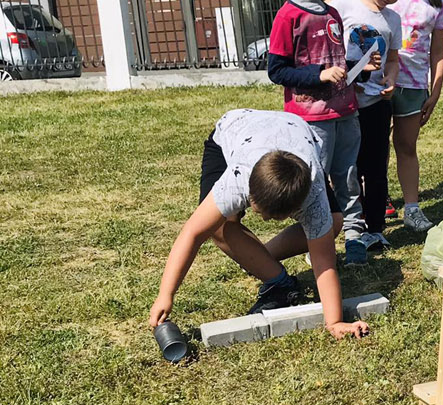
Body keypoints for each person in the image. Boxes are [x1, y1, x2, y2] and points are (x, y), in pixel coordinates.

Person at [148, 107, 368, 340]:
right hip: (234, 129)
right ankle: (277, 280)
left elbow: (324, 263)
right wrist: (165, 294)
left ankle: (258, 259)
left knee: (332, 223)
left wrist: (334, 322)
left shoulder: (313, 196)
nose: (264, 219)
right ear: (248, 193)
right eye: (261, 212)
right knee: (219, 225)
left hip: (297, 137)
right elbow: (192, 233)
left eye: (272, 217)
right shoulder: (236, 180)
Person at [266, 0, 366, 257]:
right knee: (316, 180)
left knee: (348, 176)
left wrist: (360, 67)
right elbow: (277, 70)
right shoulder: (288, 16)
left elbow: (336, 61)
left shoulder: (332, 13)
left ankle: (354, 234)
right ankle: (317, 237)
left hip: (346, 111)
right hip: (312, 120)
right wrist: (318, 75)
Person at [331, 0, 409, 259]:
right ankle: (347, 226)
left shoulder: (392, 19)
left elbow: (393, 59)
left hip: (376, 104)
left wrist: (391, 79)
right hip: (345, 104)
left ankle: (375, 228)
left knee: (376, 167)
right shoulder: (342, 6)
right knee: (348, 168)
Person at [388, 0, 443, 233]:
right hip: (379, 84)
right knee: (372, 147)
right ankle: (371, 204)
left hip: (413, 87)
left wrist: (434, 92)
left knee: (406, 146)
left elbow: (438, 52)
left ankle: (411, 208)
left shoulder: (439, 5)